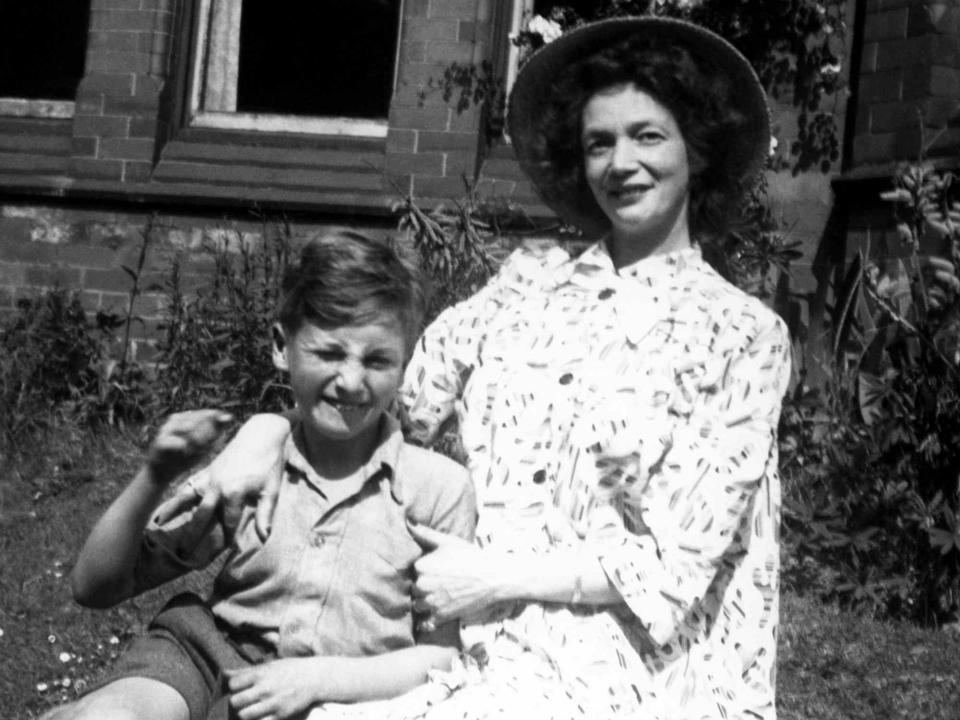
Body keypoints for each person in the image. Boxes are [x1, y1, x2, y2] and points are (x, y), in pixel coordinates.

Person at [178, 16, 791, 720]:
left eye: (648, 135)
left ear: (697, 148)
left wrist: (491, 576)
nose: (622, 163)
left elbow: (674, 567)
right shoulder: (523, 288)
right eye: (599, 143)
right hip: (474, 634)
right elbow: (376, 400)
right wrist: (262, 435)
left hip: (639, 666)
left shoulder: (744, 336)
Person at [44, 233, 476, 720]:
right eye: (329, 354)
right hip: (208, 657)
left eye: (377, 360)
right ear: (280, 346)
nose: (352, 381)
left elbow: (443, 654)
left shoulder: (437, 489)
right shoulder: (252, 463)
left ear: (404, 362)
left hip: (342, 693)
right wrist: (155, 475)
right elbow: (95, 587)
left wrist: (319, 680)